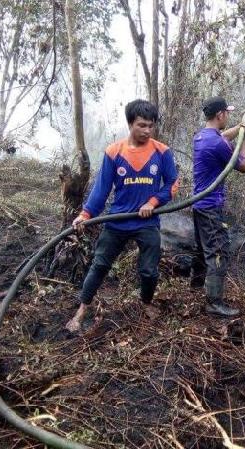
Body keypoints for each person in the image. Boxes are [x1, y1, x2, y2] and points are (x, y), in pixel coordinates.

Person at [65, 99, 179, 332]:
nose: (147, 131)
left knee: (149, 270)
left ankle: (146, 303)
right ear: (130, 124)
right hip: (117, 221)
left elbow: (172, 184)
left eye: (151, 126)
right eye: (142, 125)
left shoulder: (162, 152)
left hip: (147, 222)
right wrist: (85, 214)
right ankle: (82, 310)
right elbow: (101, 190)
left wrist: (153, 201)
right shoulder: (114, 152)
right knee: (100, 265)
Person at [190, 96, 245, 317]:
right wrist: (244, 138)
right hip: (210, 206)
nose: (228, 115)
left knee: (202, 248)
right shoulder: (218, 143)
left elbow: (222, 136)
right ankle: (214, 303)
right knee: (218, 252)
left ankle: (195, 286)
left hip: (199, 205)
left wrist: (238, 127)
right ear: (220, 115)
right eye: (227, 113)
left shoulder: (202, 137)